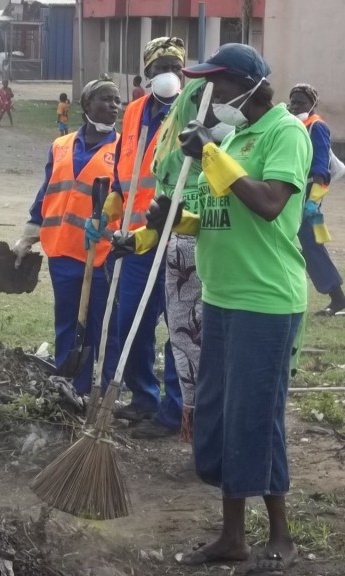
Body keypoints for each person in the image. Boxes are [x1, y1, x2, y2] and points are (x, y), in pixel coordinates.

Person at [115, 43, 308, 573]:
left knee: (257, 417)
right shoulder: (230, 136)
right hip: (220, 298)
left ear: (246, 85)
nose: (205, 96)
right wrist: (151, 227)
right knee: (221, 418)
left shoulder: (283, 132)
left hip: (266, 301)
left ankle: (281, 536)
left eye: (215, 85)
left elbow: (268, 204)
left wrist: (210, 155)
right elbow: (202, 218)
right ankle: (231, 538)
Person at [91, 37, 185, 439]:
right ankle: (144, 395)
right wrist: (110, 206)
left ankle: (174, 410)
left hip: (179, 234)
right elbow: (123, 174)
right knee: (130, 320)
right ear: (146, 74)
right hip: (135, 238)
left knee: (180, 326)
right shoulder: (132, 113)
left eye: (174, 66)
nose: (167, 73)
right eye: (160, 66)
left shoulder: (193, 109)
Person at [12, 75, 120, 394]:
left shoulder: (124, 149)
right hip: (62, 252)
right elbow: (47, 193)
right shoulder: (60, 146)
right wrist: (28, 236)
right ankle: (69, 385)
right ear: (87, 104)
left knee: (103, 327)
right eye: (106, 99)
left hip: (100, 254)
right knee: (67, 325)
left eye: (117, 101)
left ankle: (104, 389)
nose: (114, 106)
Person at [148, 78, 234, 441]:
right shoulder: (177, 150)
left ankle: (218, 430)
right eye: (201, 98)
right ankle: (199, 430)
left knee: (214, 350)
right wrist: (153, 230)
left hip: (223, 262)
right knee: (185, 344)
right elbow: (180, 212)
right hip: (182, 255)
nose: (213, 104)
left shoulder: (233, 144)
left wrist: (210, 153)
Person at [288, 83, 345, 316]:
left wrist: (313, 202)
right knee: (302, 243)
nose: (295, 106)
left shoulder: (317, 126)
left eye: (300, 102)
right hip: (294, 188)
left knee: (309, 243)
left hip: (309, 191)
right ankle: (334, 295)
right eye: (293, 102)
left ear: (312, 104)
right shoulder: (294, 123)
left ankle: (337, 296)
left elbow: (322, 168)